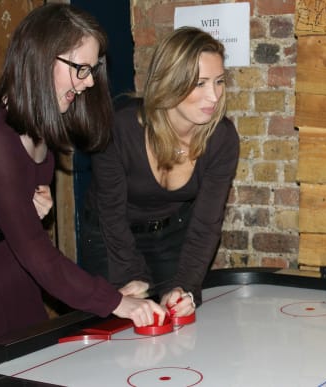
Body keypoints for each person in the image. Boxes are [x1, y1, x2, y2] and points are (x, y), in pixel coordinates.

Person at [0, 3, 166, 342]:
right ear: (41, 58)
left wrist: (30, 202)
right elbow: (35, 249)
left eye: (92, 70)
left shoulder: (40, 123)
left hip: (11, 269)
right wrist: (116, 301)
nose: (89, 82)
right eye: (81, 68)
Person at [80, 26, 239, 315]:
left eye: (219, 82)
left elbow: (206, 225)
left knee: (175, 315)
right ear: (169, 82)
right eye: (200, 83)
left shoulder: (222, 139)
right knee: (119, 330)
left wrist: (185, 286)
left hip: (170, 235)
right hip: (109, 236)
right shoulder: (119, 128)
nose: (214, 97)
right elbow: (111, 214)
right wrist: (132, 275)